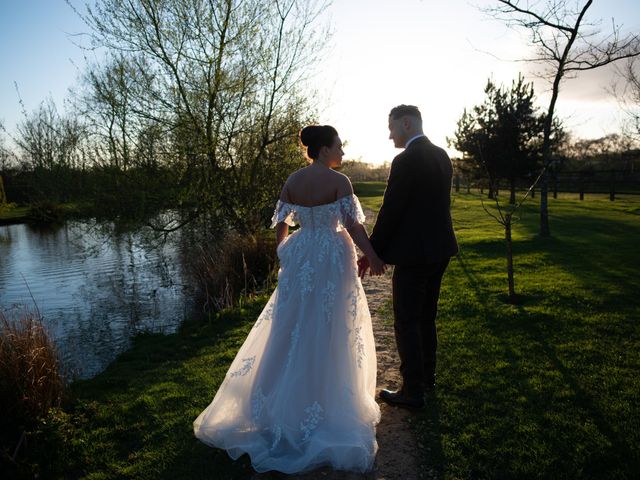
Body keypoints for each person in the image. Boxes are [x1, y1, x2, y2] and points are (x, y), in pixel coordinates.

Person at [194, 125, 384, 474]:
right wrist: (371, 255)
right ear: (324, 149)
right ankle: (325, 402)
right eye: (339, 145)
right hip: (330, 254)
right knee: (329, 321)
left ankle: (278, 402)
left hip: (301, 254)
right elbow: (354, 227)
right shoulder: (339, 182)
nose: (342, 150)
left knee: (292, 323)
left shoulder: (292, 180)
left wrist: (284, 248)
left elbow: (281, 222)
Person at [358, 105, 458, 409]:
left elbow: (391, 210)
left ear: (405, 123)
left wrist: (372, 251)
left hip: (415, 254)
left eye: (391, 128)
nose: (389, 136)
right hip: (440, 249)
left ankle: (413, 391)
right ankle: (427, 377)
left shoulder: (405, 160)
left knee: (406, 320)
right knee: (426, 317)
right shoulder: (442, 155)